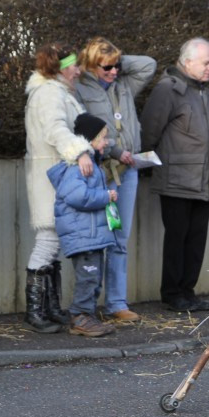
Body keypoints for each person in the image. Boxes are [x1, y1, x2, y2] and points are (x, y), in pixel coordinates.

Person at [76, 38, 156, 323]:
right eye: (107, 67)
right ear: (91, 65)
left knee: (119, 237)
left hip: (127, 173)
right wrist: (115, 151)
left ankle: (116, 303)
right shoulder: (81, 87)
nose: (114, 72)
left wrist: (117, 59)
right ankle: (87, 303)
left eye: (117, 66)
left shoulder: (123, 84)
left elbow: (149, 65)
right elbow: (83, 130)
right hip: (102, 172)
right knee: (101, 237)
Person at [140, 38, 209, 313]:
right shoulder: (168, 91)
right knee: (177, 238)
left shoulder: (208, 92)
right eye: (205, 62)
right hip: (176, 179)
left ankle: (188, 291)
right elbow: (149, 132)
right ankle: (173, 292)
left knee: (196, 239)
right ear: (187, 63)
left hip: (202, 179)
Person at [23, 43, 93, 333]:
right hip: (50, 173)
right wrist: (80, 151)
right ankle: (36, 311)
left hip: (54, 172)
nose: (78, 70)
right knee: (48, 238)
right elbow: (56, 130)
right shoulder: (51, 92)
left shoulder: (56, 91)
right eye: (74, 65)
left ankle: (49, 308)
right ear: (62, 67)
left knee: (54, 240)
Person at [46, 113, 119, 338]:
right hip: (83, 236)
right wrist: (105, 196)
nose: (106, 142)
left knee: (94, 277)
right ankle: (79, 316)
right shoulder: (77, 167)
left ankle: (87, 315)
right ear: (89, 139)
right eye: (102, 138)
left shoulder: (91, 165)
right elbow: (77, 196)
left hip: (91, 236)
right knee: (88, 277)